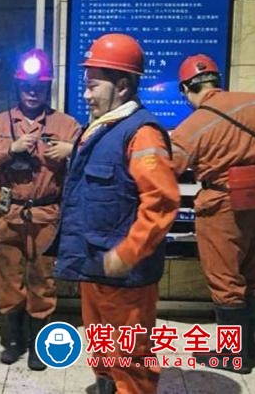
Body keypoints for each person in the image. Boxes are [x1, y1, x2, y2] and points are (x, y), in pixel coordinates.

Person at [53, 33, 180, 394]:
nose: (86, 94)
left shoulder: (142, 134)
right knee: (101, 346)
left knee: (130, 359)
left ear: (122, 86)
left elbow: (162, 202)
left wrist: (127, 253)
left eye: (93, 86)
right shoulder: (102, 128)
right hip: (96, 265)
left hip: (124, 274)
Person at [0, 48, 81, 370]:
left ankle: (37, 343)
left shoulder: (66, 124)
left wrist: (71, 150)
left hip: (46, 216)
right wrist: (11, 148)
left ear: (48, 87)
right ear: (18, 86)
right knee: (8, 277)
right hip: (8, 214)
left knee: (43, 278)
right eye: (27, 86)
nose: (32, 92)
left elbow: (91, 155)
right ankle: (14, 339)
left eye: (39, 86)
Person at [170, 53, 255, 374]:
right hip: (254, 199)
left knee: (225, 280)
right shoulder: (252, 102)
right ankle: (253, 346)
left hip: (222, 205)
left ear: (186, 89)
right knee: (253, 276)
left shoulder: (193, 127)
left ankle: (236, 355)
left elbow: (166, 167)